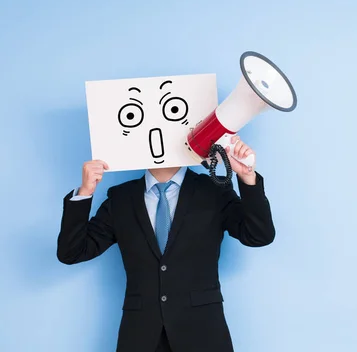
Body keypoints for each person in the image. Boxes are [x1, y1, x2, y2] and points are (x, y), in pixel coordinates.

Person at [57, 136, 275, 352]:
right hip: (140, 336)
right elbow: (72, 252)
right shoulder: (121, 198)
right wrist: (84, 193)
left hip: (203, 333)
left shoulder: (214, 191)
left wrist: (247, 176)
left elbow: (258, 235)